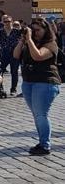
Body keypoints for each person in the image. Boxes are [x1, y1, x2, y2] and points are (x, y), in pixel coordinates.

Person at [13, 18, 61, 155]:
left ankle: (45, 145)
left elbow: (38, 56)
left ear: (46, 30)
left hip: (45, 82)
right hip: (29, 82)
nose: (35, 33)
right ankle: (42, 142)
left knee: (41, 114)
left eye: (38, 30)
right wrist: (22, 41)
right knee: (37, 115)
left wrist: (29, 40)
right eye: (32, 30)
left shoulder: (51, 44)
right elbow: (15, 55)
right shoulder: (29, 42)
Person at [0, 15, 22, 95]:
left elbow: (24, 38)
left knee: (14, 72)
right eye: (5, 21)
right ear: (3, 22)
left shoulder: (17, 31)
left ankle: (13, 89)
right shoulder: (0, 31)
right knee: (0, 71)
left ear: (12, 22)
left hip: (14, 53)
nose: (7, 23)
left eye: (8, 21)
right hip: (4, 53)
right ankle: (0, 88)